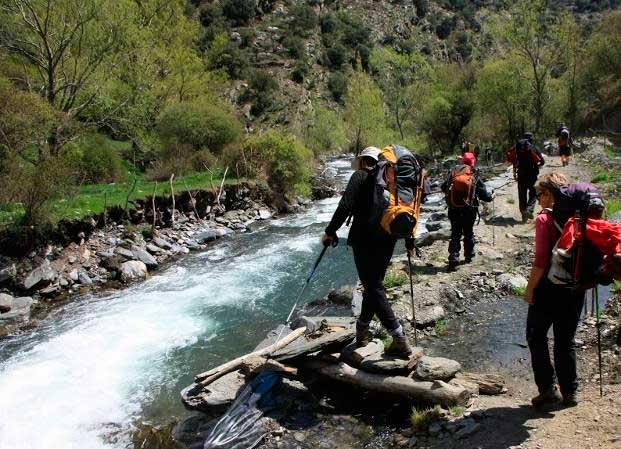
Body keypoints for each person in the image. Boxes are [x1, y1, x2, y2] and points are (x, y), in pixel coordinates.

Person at [322, 147, 414, 357]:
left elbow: (344, 206)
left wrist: (330, 231)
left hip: (364, 240)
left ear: (363, 161)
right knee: (374, 287)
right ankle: (362, 331)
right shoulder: (393, 182)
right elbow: (404, 211)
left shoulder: (360, 176)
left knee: (373, 287)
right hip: (389, 239)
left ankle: (398, 336)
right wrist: (410, 240)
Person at [524, 172, 585, 409]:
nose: (538, 200)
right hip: (575, 287)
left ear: (549, 194)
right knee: (565, 340)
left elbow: (540, 261)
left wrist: (529, 290)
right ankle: (570, 393)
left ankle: (548, 390)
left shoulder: (544, 220)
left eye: (539, 195)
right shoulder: (581, 217)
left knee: (536, 336)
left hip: (549, 289)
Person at [441, 156, 494, 271]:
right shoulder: (474, 175)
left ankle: (453, 259)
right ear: (472, 163)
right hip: (469, 209)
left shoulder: (453, 173)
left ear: (462, 161)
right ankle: (469, 256)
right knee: (468, 232)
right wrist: (492, 196)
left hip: (453, 209)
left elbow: (443, 187)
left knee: (455, 233)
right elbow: (484, 196)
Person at [508, 138, 545, 222]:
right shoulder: (534, 148)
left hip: (521, 175)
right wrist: (536, 165)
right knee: (533, 193)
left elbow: (513, 160)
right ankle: (529, 210)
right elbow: (542, 162)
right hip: (532, 175)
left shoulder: (517, 148)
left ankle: (524, 216)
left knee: (522, 195)